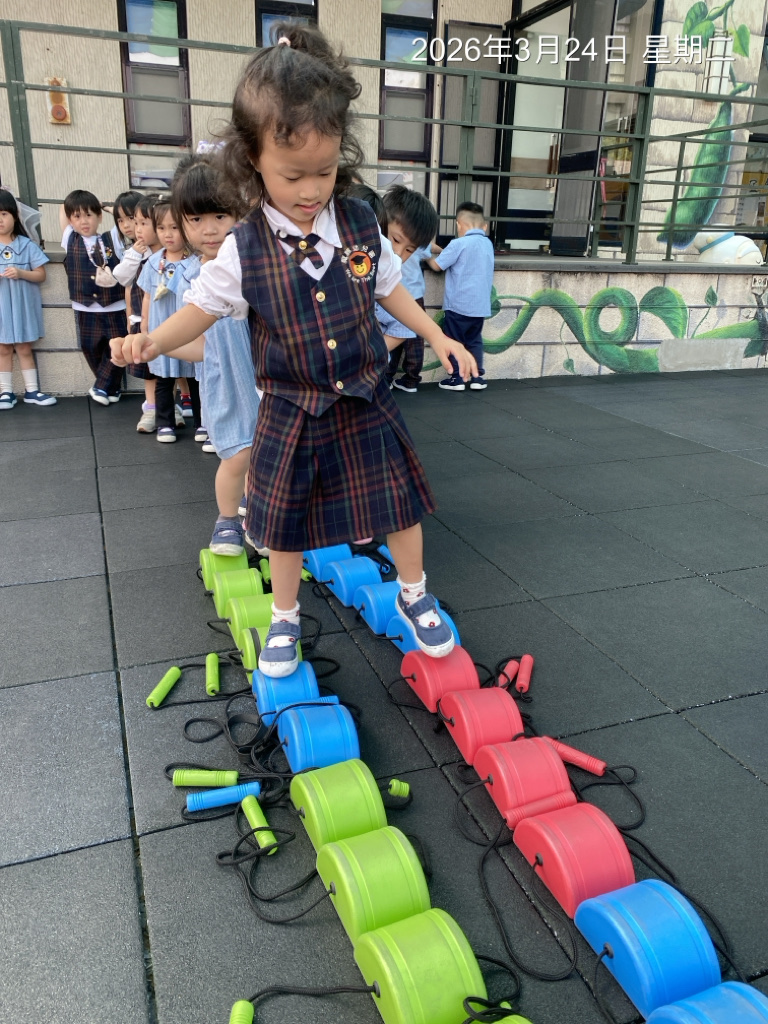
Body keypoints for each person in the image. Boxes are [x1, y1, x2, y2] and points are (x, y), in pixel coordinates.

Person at [111, 21, 476, 678]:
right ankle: (285, 618)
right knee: (281, 518)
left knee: (398, 501)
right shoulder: (243, 248)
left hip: (364, 392)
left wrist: (438, 334)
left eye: (325, 171)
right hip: (288, 403)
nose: (311, 190)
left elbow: (391, 290)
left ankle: (415, 593)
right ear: (252, 160)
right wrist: (150, 340)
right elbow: (199, 310)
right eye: (293, 175)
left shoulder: (359, 223)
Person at [169, 155, 258, 555]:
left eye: (220, 216)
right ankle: (226, 521)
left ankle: (255, 513)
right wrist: (156, 344)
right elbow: (197, 342)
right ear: (182, 223)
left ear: (238, 213)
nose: (210, 229)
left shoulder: (252, 264)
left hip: (264, 377)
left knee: (267, 455)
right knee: (238, 454)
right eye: (196, 219)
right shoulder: (191, 278)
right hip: (227, 382)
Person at [137, 197, 198, 442]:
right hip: (160, 329)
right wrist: (144, 323)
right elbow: (147, 295)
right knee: (163, 378)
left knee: (195, 377)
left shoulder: (195, 262)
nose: (168, 234)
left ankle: (203, 424)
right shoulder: (153, 262)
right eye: (161, 228)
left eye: (174, 227)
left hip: (189, 331)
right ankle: (165, 423)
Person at [59, 189, 126, 405]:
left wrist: (108, 207)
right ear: (70, 220)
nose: (84, 221)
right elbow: (63, 210)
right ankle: (111, 388)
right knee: (90, 348)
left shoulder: (112, 238)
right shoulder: (70, 239)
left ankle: (101, 387)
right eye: (77, 216)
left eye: (89, 215)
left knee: (118, 347)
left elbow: (125, 220)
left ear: (99, 217)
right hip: (85, 306)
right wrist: (72, 204)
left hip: (114, 305)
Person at [428, 200, 494, 392]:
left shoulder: (458, 244)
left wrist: (425, 255)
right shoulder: (488, 244)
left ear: (459, 224)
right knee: (474, 340)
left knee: (454, 340)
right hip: (479, 307)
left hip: (458, 305)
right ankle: (477, 377)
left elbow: (437, 266)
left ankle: (457, 378)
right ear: (484, 226)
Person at [381, 185, 441, 394]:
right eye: (396, 240)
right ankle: (402, 378)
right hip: (411, 295)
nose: (398, 253)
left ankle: (401, 378)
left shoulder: (385, 276)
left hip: (409, 297)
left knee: (410, 337)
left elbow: (401, 326)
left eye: (409, 250)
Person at [0, 190, 55, 409]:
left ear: (14, 216)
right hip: (2, 310)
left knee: (24, 348)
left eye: (4, 214)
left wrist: (21, 273)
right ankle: (6, 392)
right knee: (3, 349)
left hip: (22, 308)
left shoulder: (26, 245)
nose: (0, 220)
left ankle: (32, 391)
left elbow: (41, 275)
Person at [113, 192, 158, 432]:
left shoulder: (166, 252)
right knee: (149, 369)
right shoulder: (135, 252)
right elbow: (122, 278)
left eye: (138, 221)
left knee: (175, 367)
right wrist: (135, 254)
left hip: (166, 318)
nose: (132, 227)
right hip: (141, 318)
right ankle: (151, 408)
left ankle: (178, 403)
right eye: (121, 220)